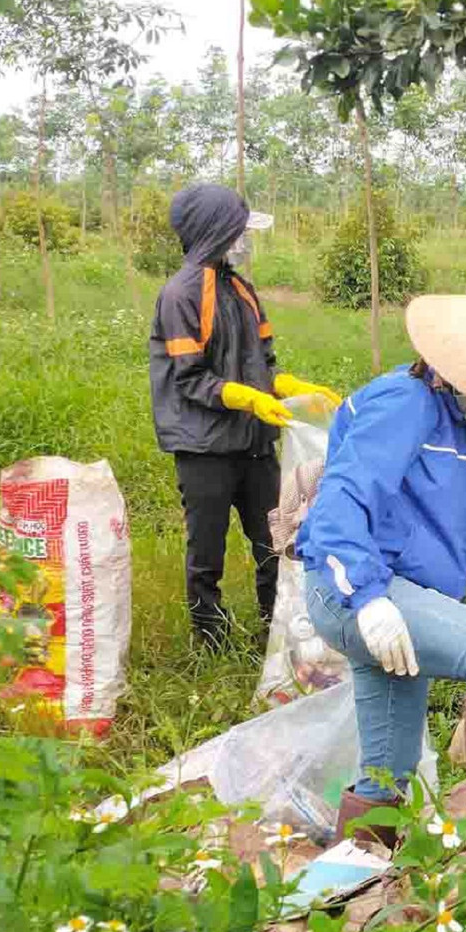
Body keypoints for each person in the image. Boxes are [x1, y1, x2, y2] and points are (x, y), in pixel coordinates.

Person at [296, 294, 466, 839]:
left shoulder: (465, 427)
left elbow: (426, 507)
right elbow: (340, 503)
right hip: (357, 590)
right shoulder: (406, 402)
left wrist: (454, 575)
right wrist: (370, 599)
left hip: (397, 593)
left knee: (387, 771)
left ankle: (357, 884)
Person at [149, 184, 341, 647]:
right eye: (236, 231)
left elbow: (263, 364)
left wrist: (291, 389)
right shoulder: (181, 295)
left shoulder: (241, 289)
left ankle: (276, 631)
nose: (243, 240)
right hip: (204, 448)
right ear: (212, 231)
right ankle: (209, 639)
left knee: (277, 538)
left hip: (254, 443)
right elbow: (190, 378)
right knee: (206, 550)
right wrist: (247, 398)